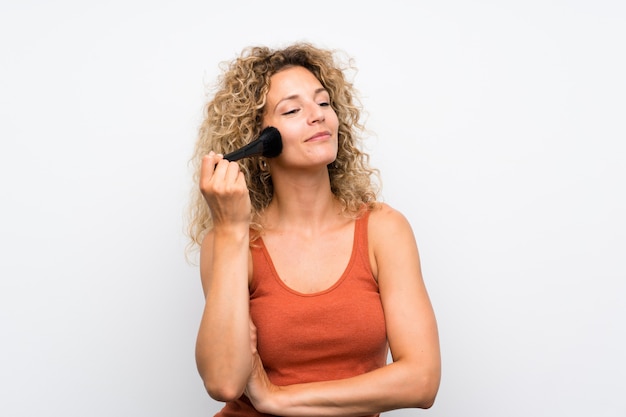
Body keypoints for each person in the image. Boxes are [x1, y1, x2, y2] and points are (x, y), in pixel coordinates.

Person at [187, 42, 441, 417]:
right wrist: (230, 231)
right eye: (292, 110)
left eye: (323, 103)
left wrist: (277, 398)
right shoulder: (229, 240)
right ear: (256, 143)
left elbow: (422, 381)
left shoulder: (384, 230)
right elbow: (224, 381)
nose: (317, 116)